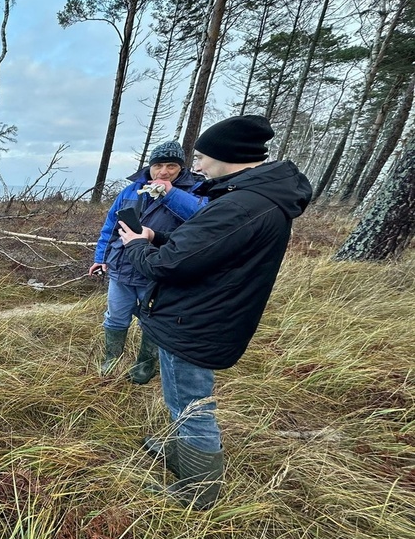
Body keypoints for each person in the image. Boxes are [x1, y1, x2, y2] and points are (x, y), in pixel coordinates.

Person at [118, 115, 312, 510]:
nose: (198, 166)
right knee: (182, 400)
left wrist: (138, 245)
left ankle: (198, 492)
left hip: (197, 320)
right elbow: (208, 248)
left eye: (203, 157)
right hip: (205, 314)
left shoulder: (242, 204)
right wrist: (159, 236)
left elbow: (168, 265)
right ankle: (181, 454)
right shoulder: (252, 198)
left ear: (229, 157)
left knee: (192, 407)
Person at [88, 140, 206, 381]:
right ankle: (112, 358)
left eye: (171, 166)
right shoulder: (131, 190)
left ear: (181, 168)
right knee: (115, 316)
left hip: (157, 273)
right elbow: (111, 226)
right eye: (158, 165)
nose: (163, 172)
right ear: (150, 166)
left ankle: (145, 364)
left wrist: (169, 194)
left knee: (152, 321)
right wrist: (100, 258)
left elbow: (201, 219)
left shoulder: (194, 191)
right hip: (121, 268)